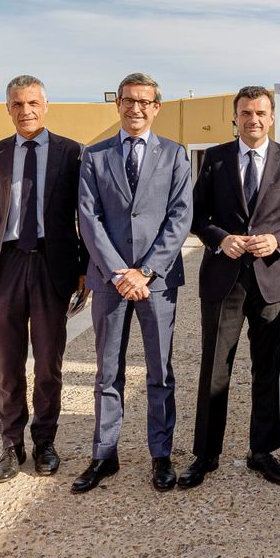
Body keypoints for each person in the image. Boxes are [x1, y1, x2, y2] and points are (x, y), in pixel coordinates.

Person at [181, 86, 280, 489]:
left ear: (271, 117)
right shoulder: (216, 159)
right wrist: (220, 238)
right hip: (224, 279)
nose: (253, 119)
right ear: (234, 118)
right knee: (215, 369)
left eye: (260, 112)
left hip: (270, 279)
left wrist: (278, 241)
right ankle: (206, 454)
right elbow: (195, 214)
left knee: (266, 369)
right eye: (245, 113)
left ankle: (263, 451)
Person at [75, 73, 194, 493]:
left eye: (144, 102)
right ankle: (104, 455)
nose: (136, 108)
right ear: (118, 104)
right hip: (110, 281)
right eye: (128, 100)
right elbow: (89, 219)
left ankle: (161, 455)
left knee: (160, 371)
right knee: (108, 372)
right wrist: (119, 271)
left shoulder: (176, 155)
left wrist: (145, 271)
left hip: (157, 282)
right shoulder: (95, 156)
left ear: (156, 107)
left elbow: (180, 218)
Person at [0, 75, 87, 481]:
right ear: (8, 108)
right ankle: (11, 444)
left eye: (32, 103)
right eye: (17, 104)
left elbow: (84, 215)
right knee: (7, 364)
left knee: (48, 363)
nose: (26, 111)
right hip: (7, 265)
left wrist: (83, 269)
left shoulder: (71, 152)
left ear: (46, 105)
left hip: (52, 264)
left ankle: (45, 440)